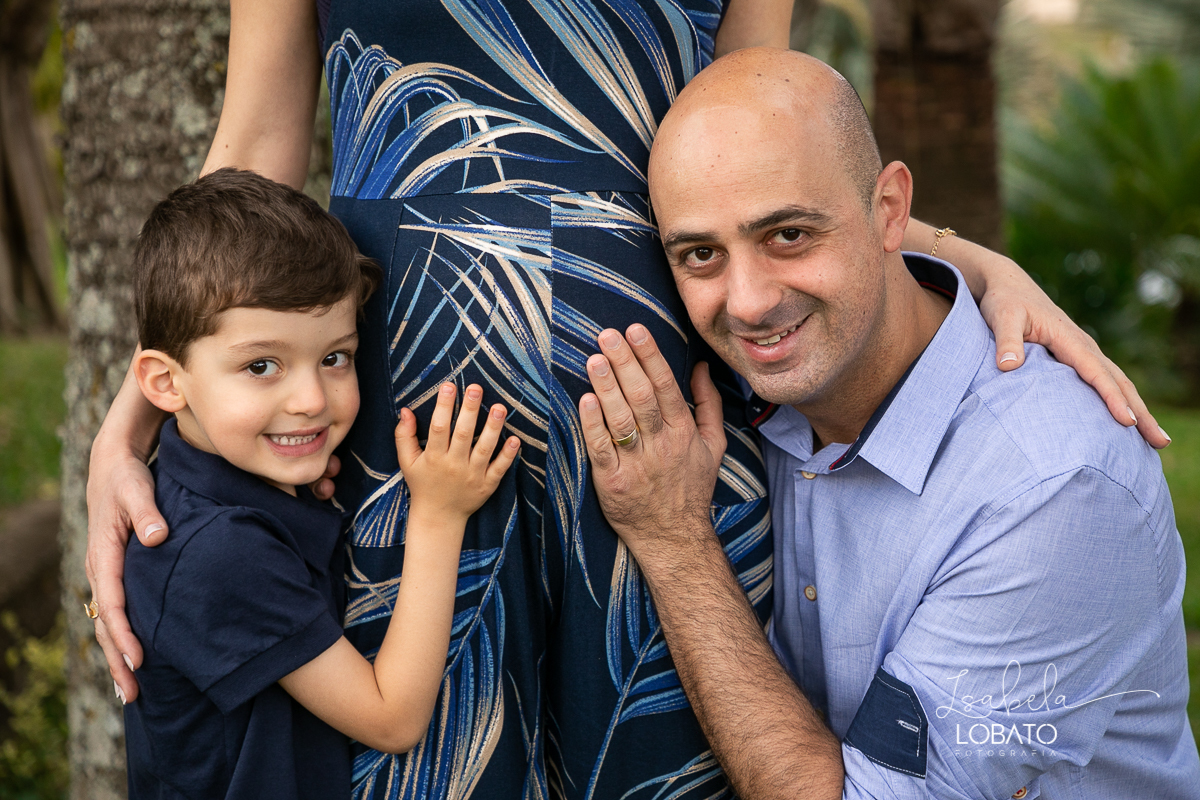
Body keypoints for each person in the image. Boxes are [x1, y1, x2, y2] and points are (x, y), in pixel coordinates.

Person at [85, 2, 1167, 797]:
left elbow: (764, 122)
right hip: (407, 382)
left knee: (667, 729)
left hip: (654, 380)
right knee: (428, 742)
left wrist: (956, 259)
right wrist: (128, 423)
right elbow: (258, 147)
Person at [579, 47, 1199, 799]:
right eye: (701, 253)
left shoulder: (1052, 488)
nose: (745, 302)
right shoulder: (734, 399)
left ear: (890, 211)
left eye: (788, 235)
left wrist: (674, 542)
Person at [120, 168, 519, 799]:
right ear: (166, 382)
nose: (311, 400)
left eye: (335, 357)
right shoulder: (217, 554)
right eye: (261, 366)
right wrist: (438, 517)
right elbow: (391, 718)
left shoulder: (232, 488)